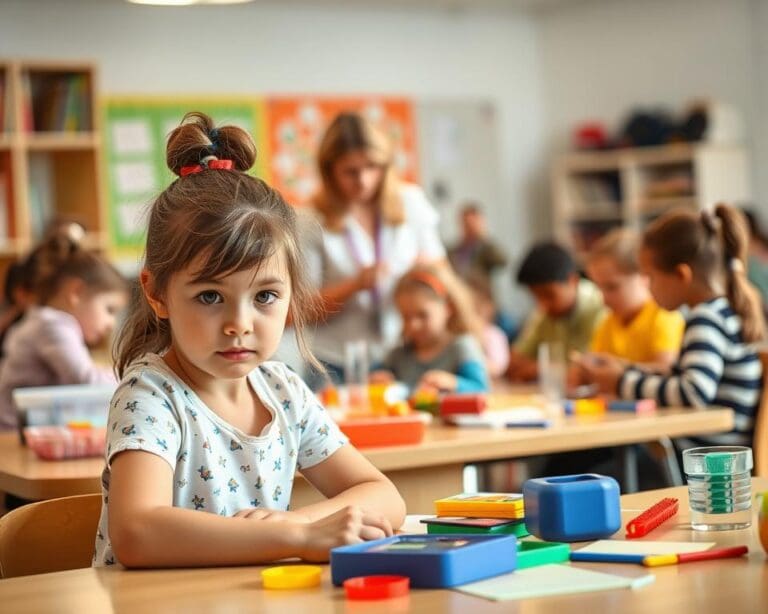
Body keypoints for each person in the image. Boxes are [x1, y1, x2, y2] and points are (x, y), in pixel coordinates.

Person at [94, 112, 405, 569]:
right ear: (157, 293)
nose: (239, 323)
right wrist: (295, 534)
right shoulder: (151, 395)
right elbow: (138, 533)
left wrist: (298, 530)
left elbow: (384, 496)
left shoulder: (283, 391)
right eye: (209, 296)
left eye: (265, 296)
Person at [580, 205, 764, 448]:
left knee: (596, 470)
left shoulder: (706, 319)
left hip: (709, 461)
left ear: (681, 275)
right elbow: (680, 376)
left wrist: (620, 382)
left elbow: (693, 392)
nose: (648, 287)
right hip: (705, 454)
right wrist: (625, 369)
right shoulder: (718, 312)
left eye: (651, 277)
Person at [303, 112, 446, 384]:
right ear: (329, 171)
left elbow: (442, 277)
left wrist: (422, 272)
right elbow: (297, 312)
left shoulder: (411, 202)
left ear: (386, 165)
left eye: (372, 167)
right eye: (350, 172)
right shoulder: (310, 220)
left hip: (401, 357)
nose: (364, 181)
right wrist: (354, 285)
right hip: (332, 364)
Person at [0, 231, 127, 430]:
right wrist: (132, 375)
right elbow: (87, 381)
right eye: (109, 309)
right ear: (76, 293)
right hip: (11, 434)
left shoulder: (41, 319)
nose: (111, 323)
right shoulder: (53, 326)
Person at [371, 265, 489, 393]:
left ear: (447, 308)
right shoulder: (398, 356)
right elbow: (371, 377)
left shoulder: (461, 347)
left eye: (422, 315)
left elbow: (482, 390)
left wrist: (454, 383)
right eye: (406, 317)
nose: (413, 325)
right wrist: (376, 379)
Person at [585, 228, 685, 370]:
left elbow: (665, 368)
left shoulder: (664, 316)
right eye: (599, 288)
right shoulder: (609, 323)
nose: (604, 299)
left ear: (644, 276)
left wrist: (617, 369)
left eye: (612, 287)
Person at [507, 241, 604, 382]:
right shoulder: (545, 314)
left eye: (549, 295)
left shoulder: (600, 306)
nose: (543, 304)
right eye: (535, 296)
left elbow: (592, 371)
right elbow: (514, 365)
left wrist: (541, 368)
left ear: (573, 281)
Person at [465, 273, 510, 378]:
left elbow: (498, 366)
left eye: (475, 310)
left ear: (488, 308)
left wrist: (469, 366)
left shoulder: (493, 335)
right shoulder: (458, 336)